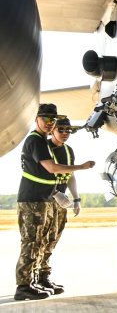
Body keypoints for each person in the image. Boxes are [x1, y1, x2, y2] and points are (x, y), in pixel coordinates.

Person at [15, 104, 95, 301]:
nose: (50, 124)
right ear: (37, 119)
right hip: (34, 199)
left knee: (44, 241)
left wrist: (75, 198)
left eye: (53, 120)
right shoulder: (37, 141)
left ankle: (37, 279)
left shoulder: (45, 142)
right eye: (47, 120)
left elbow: (66, 176)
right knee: (31, 242)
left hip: (44, 200)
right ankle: (24, 286)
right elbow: (50, 168)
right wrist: (82, 166)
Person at [36, 117, 86, 295]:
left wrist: (77, 199)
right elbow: (42, 175)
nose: (65, 133)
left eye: (68, 130)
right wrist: (56, 193)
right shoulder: (44, 149)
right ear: (52, 130)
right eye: (61, 129)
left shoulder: (68, 150)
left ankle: (44, 276)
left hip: (61, 200)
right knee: (41, 239)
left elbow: (70, 174)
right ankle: (34, 278)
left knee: (53, 239)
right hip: (46, 198)